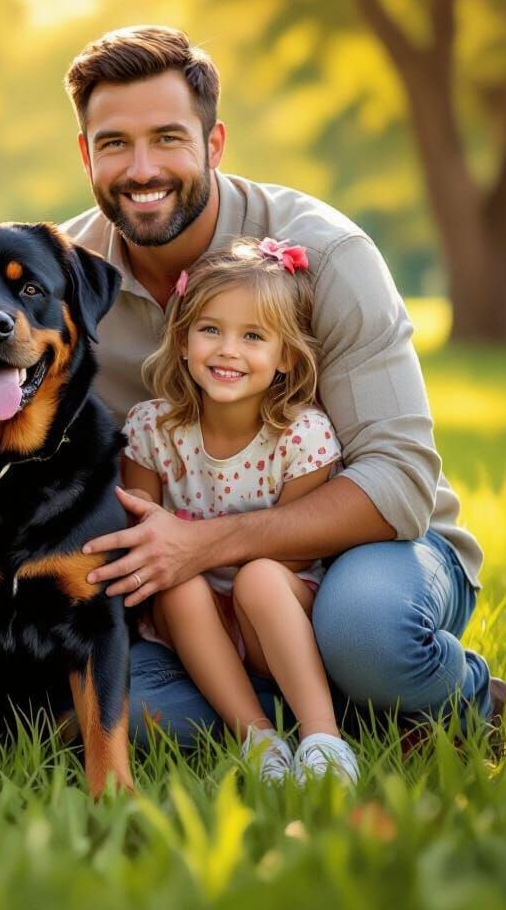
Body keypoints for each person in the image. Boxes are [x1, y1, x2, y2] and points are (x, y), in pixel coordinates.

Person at [59, 25, 501, 745]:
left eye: (168, 138)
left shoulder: (326, 253)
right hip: (183, 595)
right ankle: (315, 715)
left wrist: (207, 545)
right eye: (114, 144)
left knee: (368, 635)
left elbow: (401, 483)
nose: (141, 168)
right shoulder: (62, 279)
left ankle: (454, 693)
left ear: (214, 143)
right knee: (124, 713)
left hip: (360, 562)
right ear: (86, 153)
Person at [123, 237, 357, 783]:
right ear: (182, 341)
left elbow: (297, 551)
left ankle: (323, 738)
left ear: (286, 357)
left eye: (253, 336)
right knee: (175, 582)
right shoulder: (152, 430)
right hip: (190, 623)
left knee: (258, 577)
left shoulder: (302, 437)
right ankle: (257, 738)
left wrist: (220, 562)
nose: (228, 350)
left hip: (275, 615)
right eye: (211, 330)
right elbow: (142, 538)